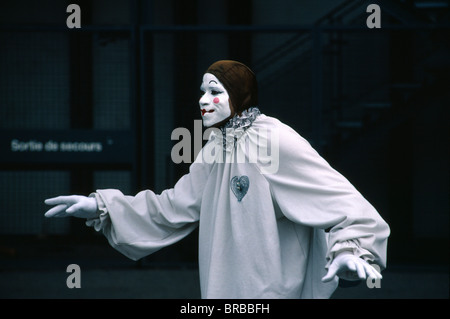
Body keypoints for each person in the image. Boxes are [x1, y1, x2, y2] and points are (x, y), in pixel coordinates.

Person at [45, 60, 390, 299]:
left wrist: (351, 249)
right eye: (202, 92)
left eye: (215, 91)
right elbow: (174, 207)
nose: (203, 101)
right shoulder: (215, 146)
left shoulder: (276, 141)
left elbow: (347, 204)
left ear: (240, 95)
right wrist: (100, 206)